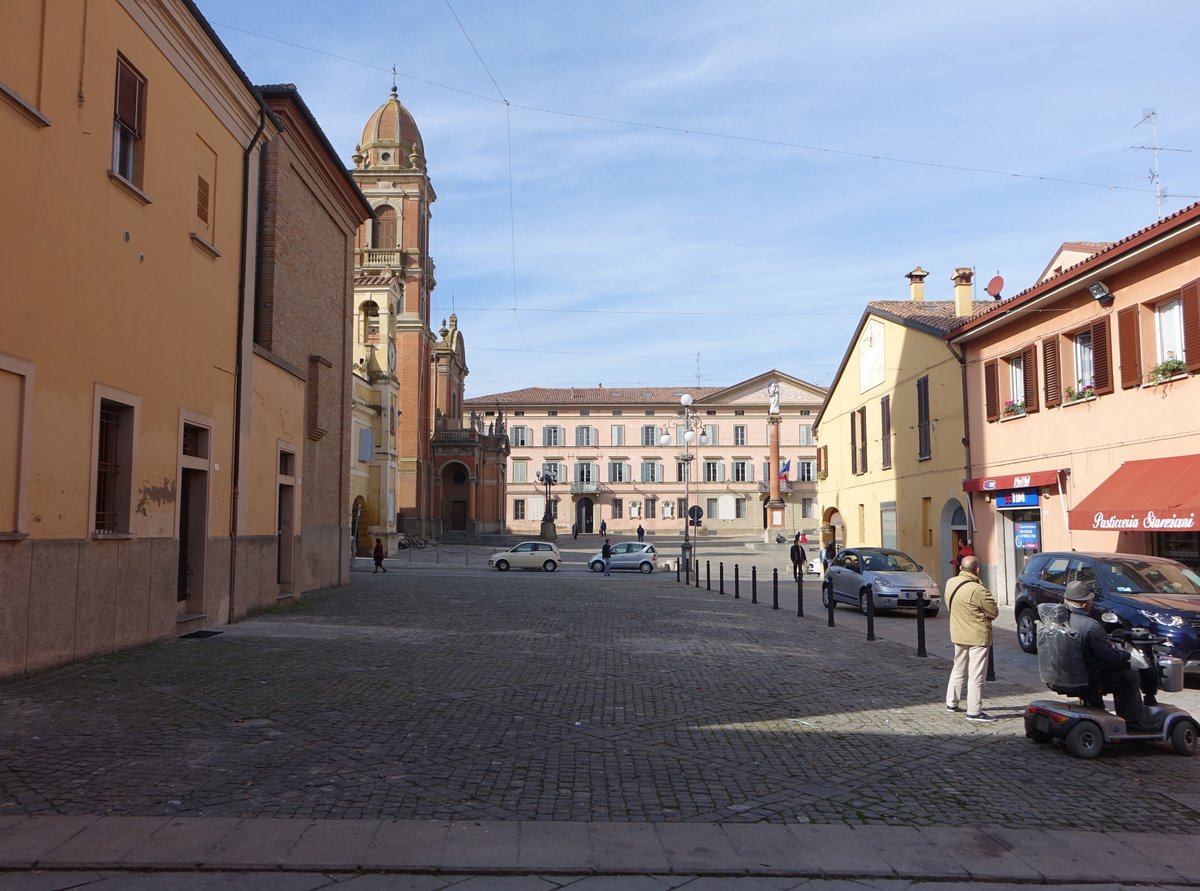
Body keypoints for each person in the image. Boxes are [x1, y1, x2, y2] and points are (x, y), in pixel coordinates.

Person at [1063, 580, 1149, 729]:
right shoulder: (1090, 625)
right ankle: (1132, 722)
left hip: (1068, 673)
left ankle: (1095, 704)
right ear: (1084, 604)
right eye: (1091, 600)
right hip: (1088, 675)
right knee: (1130, 675)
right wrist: (1127, 656)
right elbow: (1108, 657)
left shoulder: (1064, 620)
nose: (1092, 603)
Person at [944, 555, 998, 722]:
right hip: (977, 636)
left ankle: (951, 702)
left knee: (958, 669)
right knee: (976, 675)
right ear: (977, 570)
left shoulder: (950, 583)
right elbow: (994, 612)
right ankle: (974, 711)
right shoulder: (978, 590)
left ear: (960, 568)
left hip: (958, 632)